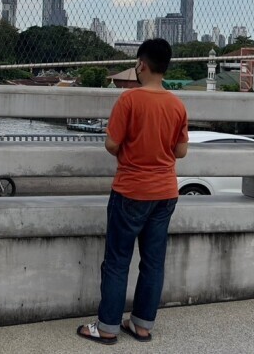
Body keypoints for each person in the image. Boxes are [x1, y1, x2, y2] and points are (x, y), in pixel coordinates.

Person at [77, 38, 189, 345]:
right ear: (165, 67)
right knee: (153, 261)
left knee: (117, 261)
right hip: (165, 192)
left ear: (141, 64)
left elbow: (112, 144)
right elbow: (180, 151)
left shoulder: (129, 100)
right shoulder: (177, 105)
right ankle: (141, 325)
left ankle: (108, 327)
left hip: (131, 191)